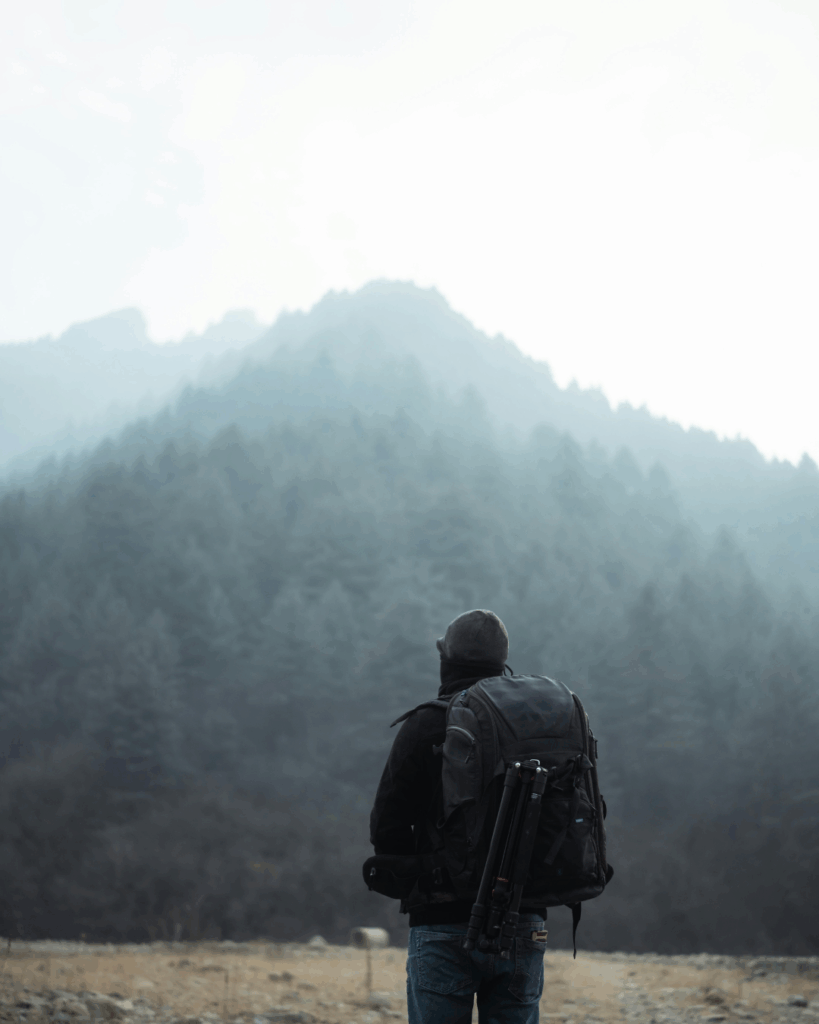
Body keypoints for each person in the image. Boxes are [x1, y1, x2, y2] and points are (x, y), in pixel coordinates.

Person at [369, 609, 549, 1024]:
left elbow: (386, 826)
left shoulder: (426, 725)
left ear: (446, 660)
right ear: (502, 664)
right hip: (523, 919)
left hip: (440, 921)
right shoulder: (534, 726)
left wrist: (427, 874)